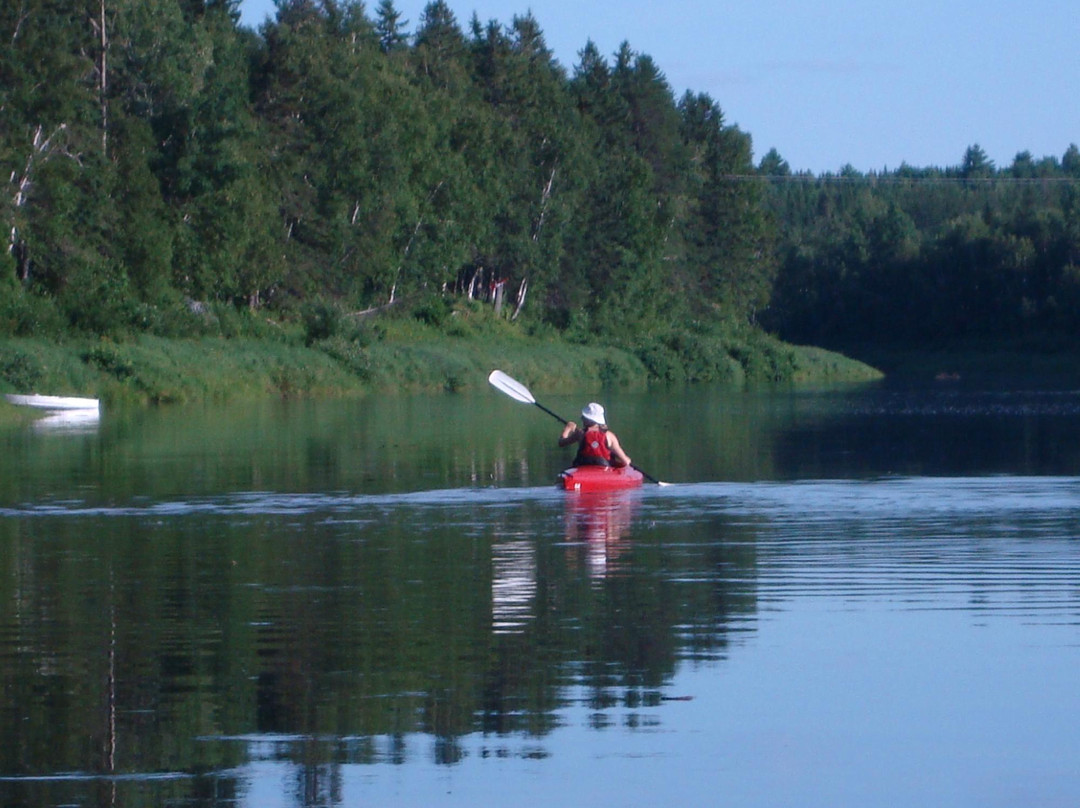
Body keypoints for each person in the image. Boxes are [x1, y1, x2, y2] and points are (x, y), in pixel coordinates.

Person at [558, 402, 632, 468]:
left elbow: (561, 442)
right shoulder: (609, 436)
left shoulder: (580, 434)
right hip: (604, 468)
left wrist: (567, 429)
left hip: (583, 468)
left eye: (584, 417)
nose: (582, 418)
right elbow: (625, 461)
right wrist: (624, 461)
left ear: (588, 419)